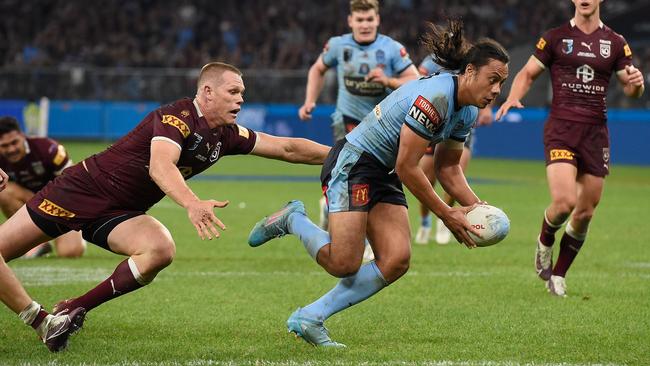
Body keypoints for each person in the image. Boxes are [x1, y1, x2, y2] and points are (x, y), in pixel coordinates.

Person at [0, 62, 330, 352]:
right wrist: (192, 203)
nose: (241, 99)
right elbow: (160, 166)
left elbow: (287, 148)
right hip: (80, 191)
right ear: (208, 92)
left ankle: (73, 309)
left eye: (242, 93)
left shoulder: (226, 135)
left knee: (160, 249)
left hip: (119, 212)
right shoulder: (176, 117)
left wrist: (346, 153)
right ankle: (39, 319)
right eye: (233, 91)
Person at [249, 20, 509, 347]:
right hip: (355, 163)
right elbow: (407, 166)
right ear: (470, 71)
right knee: (344, 262)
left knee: (396, 258)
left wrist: (476, 207)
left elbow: (448, 170)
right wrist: (446, 213)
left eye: (502, 83)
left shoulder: (466, 111)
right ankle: (293, 219)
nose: (497, 90)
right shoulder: (437, 97)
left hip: (382, 171)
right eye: (493, 80)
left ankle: (310, 317)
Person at [495, 0, 644, 297]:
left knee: (585, 212)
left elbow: (631, 87)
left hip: (595, 134)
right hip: (562, 128)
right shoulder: (555, 38)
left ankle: (559, 274)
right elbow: (527, 74)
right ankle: (545, 240)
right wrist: (512, 97)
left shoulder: (615, 42)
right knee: (564, 203)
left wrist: (636, 84)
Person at [297, 0, 419, 234]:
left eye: (369, 19)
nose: (365, 25)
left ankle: (331, 207)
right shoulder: (338, 45)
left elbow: (414, 81)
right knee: (353, 173)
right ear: (350, 21)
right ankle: (358, 235)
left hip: (383, 125)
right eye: (360, 20)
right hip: (348, 120)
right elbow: (317, 69)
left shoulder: (392, 48)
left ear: (378, 20)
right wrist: (309, 100)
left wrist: (388, 81)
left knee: (377, 175)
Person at [414, 56, 494, 245]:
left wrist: (486, 109)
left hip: (461, 124)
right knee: (427, 179)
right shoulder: (431, 61)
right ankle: (425, 223)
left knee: (454, 174)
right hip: (434, 122)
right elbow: (417, 79)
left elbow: (486, 85)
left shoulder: (470, 60)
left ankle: (446, 221)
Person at [0, 116, 86, 258]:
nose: (11, 149)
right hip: (27, 203)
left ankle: (74, 234)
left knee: (70, 253)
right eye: (4, 146)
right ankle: (36, 243)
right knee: (4, 192)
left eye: (14, 142)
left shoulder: (49, 149)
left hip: (59, 204)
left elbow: (74, 184)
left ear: (22, 136)